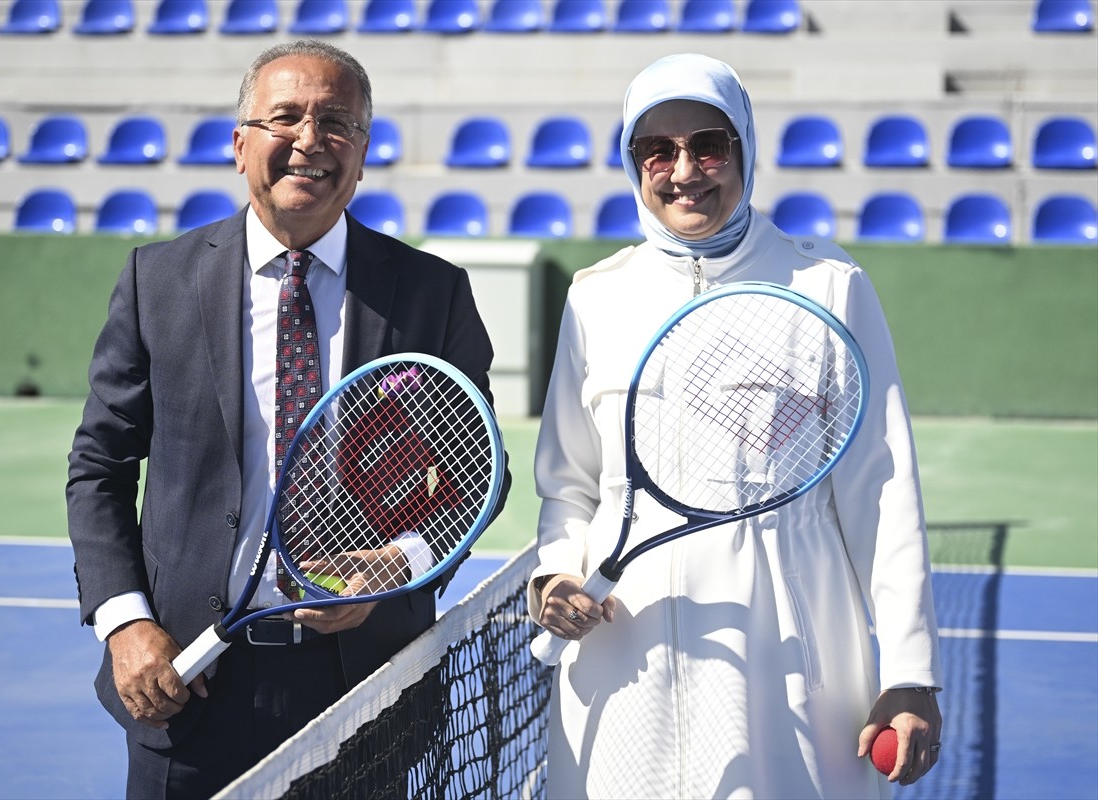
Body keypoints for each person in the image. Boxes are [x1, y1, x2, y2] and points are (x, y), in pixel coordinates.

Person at [67, 39, 507, 798]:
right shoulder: (158, 281)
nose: (310, 140)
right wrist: (126, 623)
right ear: (241, 146)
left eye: (337, 123)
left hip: (366, 687)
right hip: (189, 683)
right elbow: (100, 468)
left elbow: (475, 476)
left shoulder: (433, 293)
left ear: (363, 155)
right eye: (286, 118)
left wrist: (399, 563)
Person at [528, 53, 942, 799]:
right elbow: (568, 485)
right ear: (634, 165)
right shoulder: (596, 298)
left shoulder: (828, 286)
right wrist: (554, 573)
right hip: (622, 660)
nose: (685, 170)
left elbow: (882, 490)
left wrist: (910, 671)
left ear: (745, 148)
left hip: (794, 662)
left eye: (709, 145)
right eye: (658, 149)